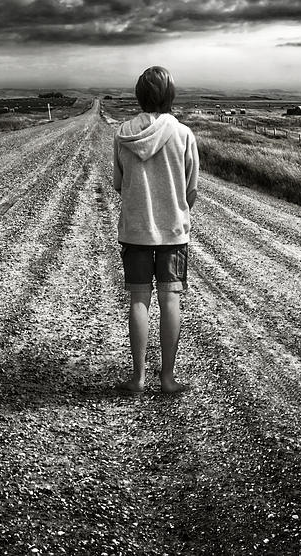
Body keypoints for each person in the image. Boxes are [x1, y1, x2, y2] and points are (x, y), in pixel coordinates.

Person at [111, 66, 199, 395]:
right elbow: (191, 191)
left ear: (139, 95)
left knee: (139, 300)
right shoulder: (184, 135)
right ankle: (167, 378)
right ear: (170, 96)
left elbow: (120, 184)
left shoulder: (123, 134)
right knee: (170, 300)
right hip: (173, 233)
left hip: (135, 231)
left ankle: (137, 378)